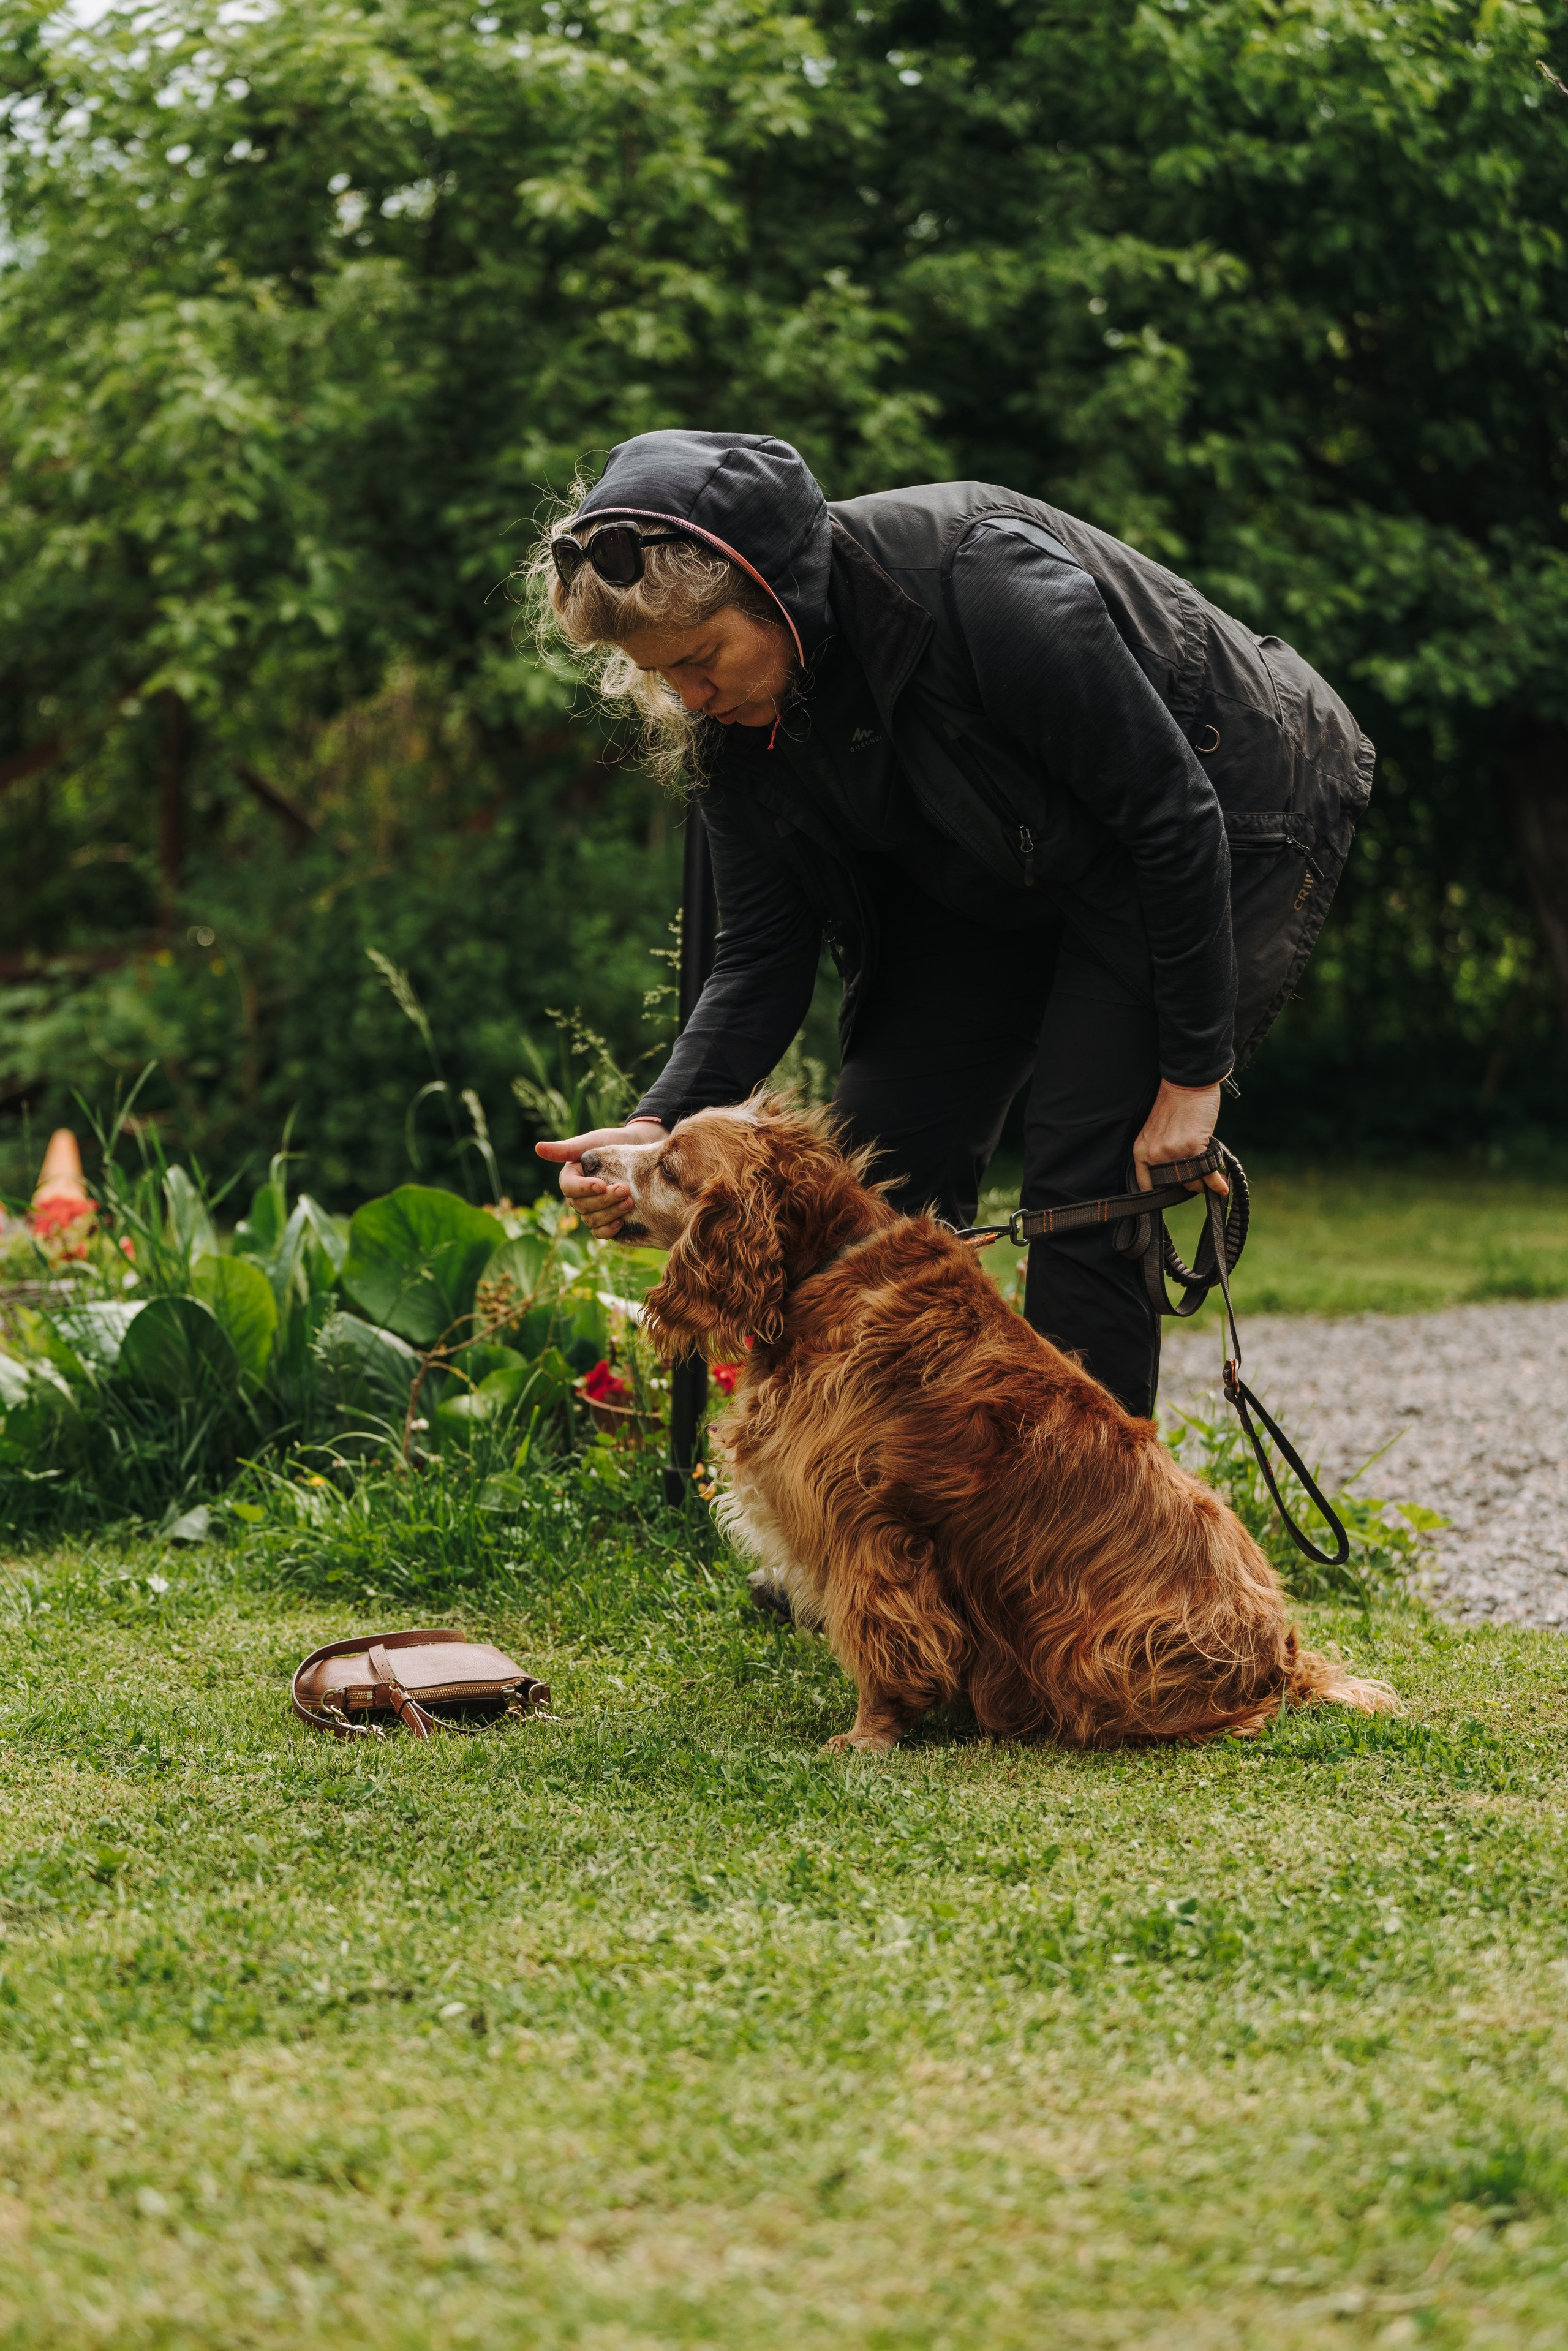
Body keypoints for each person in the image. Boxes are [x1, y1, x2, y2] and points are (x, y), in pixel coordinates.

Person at [533, 431, 1373, 1416]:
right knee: (873, 1179)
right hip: (991, 866)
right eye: (659, 675)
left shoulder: (985, 581)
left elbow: (1169, 817)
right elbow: (760, 958)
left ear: (777, 591)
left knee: (1083, 1183)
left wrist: (1191, 1077)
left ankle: (1084, 1554)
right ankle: (881, 1518)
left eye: (701, 657)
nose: (689, 695)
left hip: (1215, 815)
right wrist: (652, 1128)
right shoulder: (730, 727)